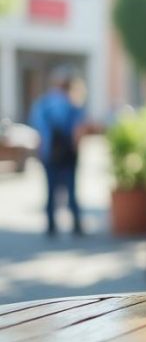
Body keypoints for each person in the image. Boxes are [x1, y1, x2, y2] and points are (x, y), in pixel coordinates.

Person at [28, 66, 86, 236]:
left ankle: (51, 225)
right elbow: (79, 129)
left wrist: (41, 149)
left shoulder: (43, 103)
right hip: (68, 153)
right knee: (71, 189)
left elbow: (38, 129)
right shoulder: (73, 103)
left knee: (51, 189)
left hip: (50, 153)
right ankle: (75, 224)